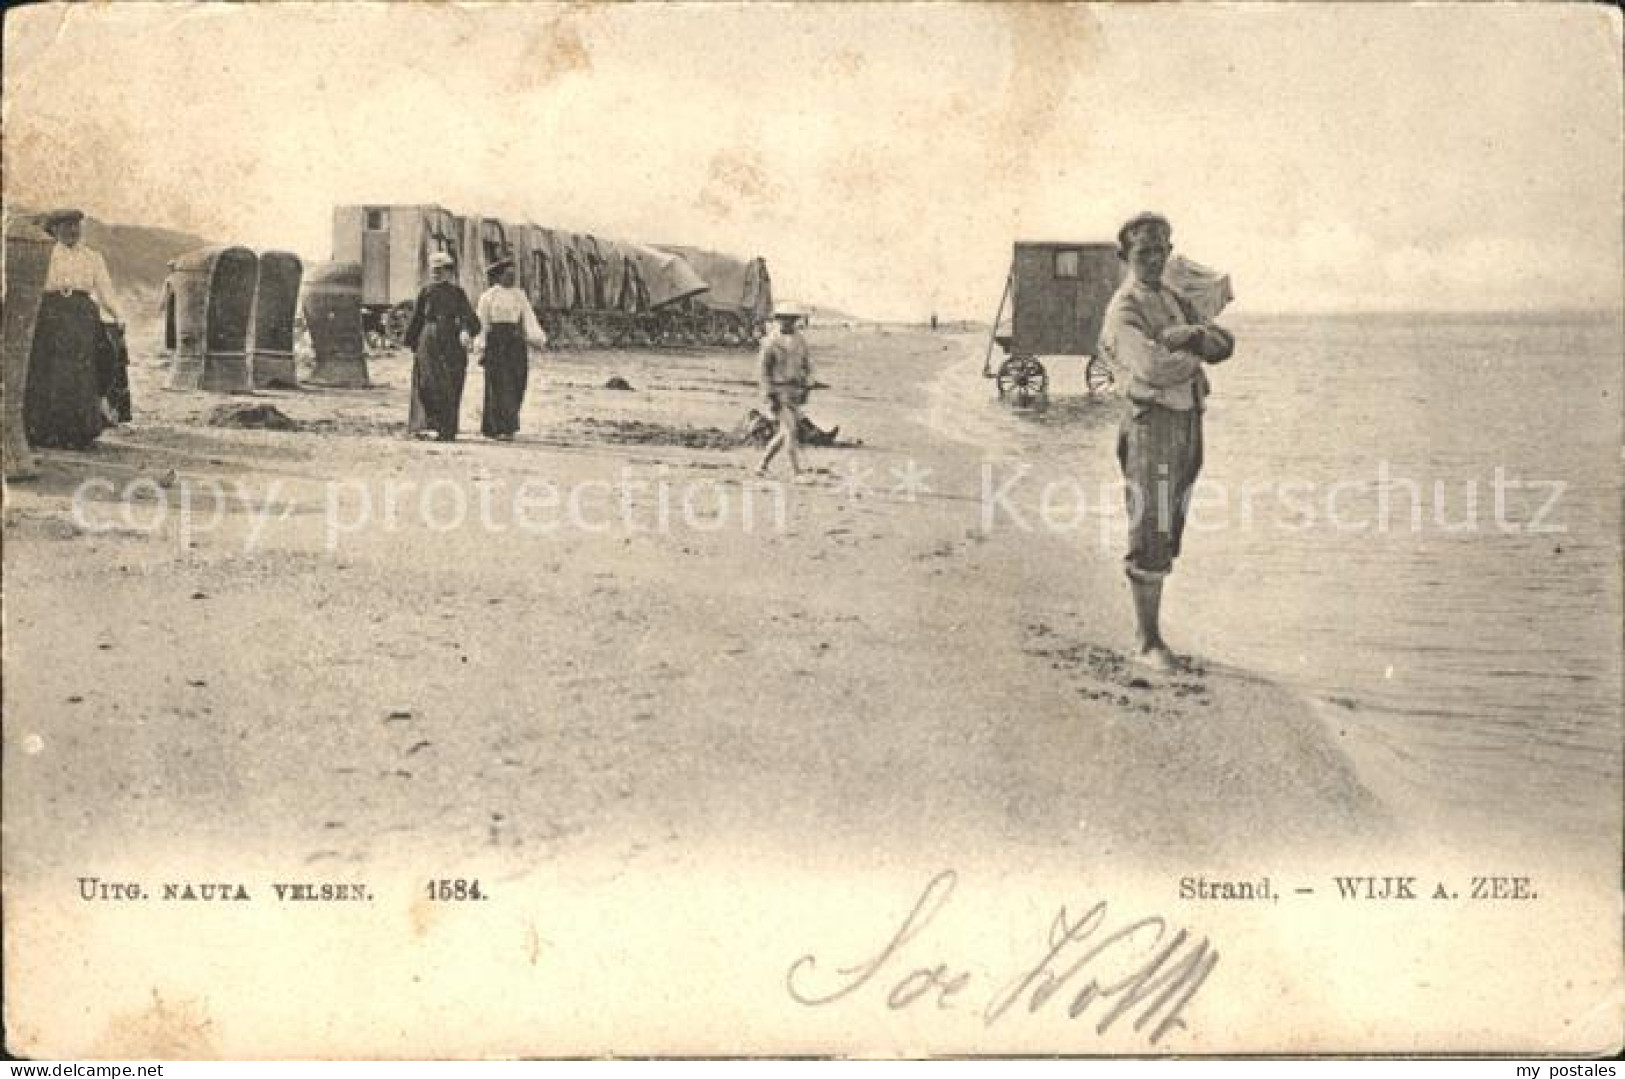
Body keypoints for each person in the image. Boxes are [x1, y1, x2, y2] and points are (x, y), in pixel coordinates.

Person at [1099, 212, 1235, 672]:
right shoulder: (1125, 308)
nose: (1155, 259)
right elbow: (1151, 367)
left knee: (1171, 521)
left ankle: (1154, 634)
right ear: (1125, 257)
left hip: (1187, 420)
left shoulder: (1173, 298)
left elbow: (1223, 342)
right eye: (1144, 252)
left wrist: (1191, 337)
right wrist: (1193, 354)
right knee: (1150, 523)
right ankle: (1147, 641)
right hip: (1150, 422)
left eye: (1161, 250)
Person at [24, 209, 125, 448]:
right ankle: (46, 434)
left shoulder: (93, 257)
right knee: (49, 373)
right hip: (50, 317)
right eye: (66, 226)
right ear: (54, 230)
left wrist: (118, 315)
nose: (72, 231)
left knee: (82, 375)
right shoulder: (44, 254)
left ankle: (78, 434)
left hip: (82, 318)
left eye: (76, 226)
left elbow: (105, 291)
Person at [403, 251, 480, 441]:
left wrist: (465, 331)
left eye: (440, 270)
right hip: (428, 340)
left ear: (449, 272)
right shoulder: (426, 292)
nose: (436, 274)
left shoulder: (457, 293)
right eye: (433, 270)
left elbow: (469, 318)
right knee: (427, 382)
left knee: (450, 382)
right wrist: (411, 341)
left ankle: (447, 429)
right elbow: (417, 318)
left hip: (451, 341)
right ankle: (428, 425)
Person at [473, 257, 546, 441]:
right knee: (497, 385)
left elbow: (529, 317)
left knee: (516, 382)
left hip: (515, 343)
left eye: (514, 275)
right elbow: (482, 323)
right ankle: (495, 427)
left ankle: (510, 426)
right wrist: (481, 345)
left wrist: (536, 337)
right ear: (498, 276)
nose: (512, 278)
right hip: (496, 343)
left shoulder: (519, 295)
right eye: (508, 275)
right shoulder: (488, 296)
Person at [755, 306, 813, 478]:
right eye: (784, 318)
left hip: (795, 390)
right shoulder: (770, 342)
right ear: (777, 319)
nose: (788, 322)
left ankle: (762, 465)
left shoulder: (800, 341)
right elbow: (763, 371)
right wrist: (769, 394)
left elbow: (807, 365)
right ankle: (796, 472)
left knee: (784, 432)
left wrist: (807, 387)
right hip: (778, 391)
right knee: (791, 430)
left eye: (792, 319)